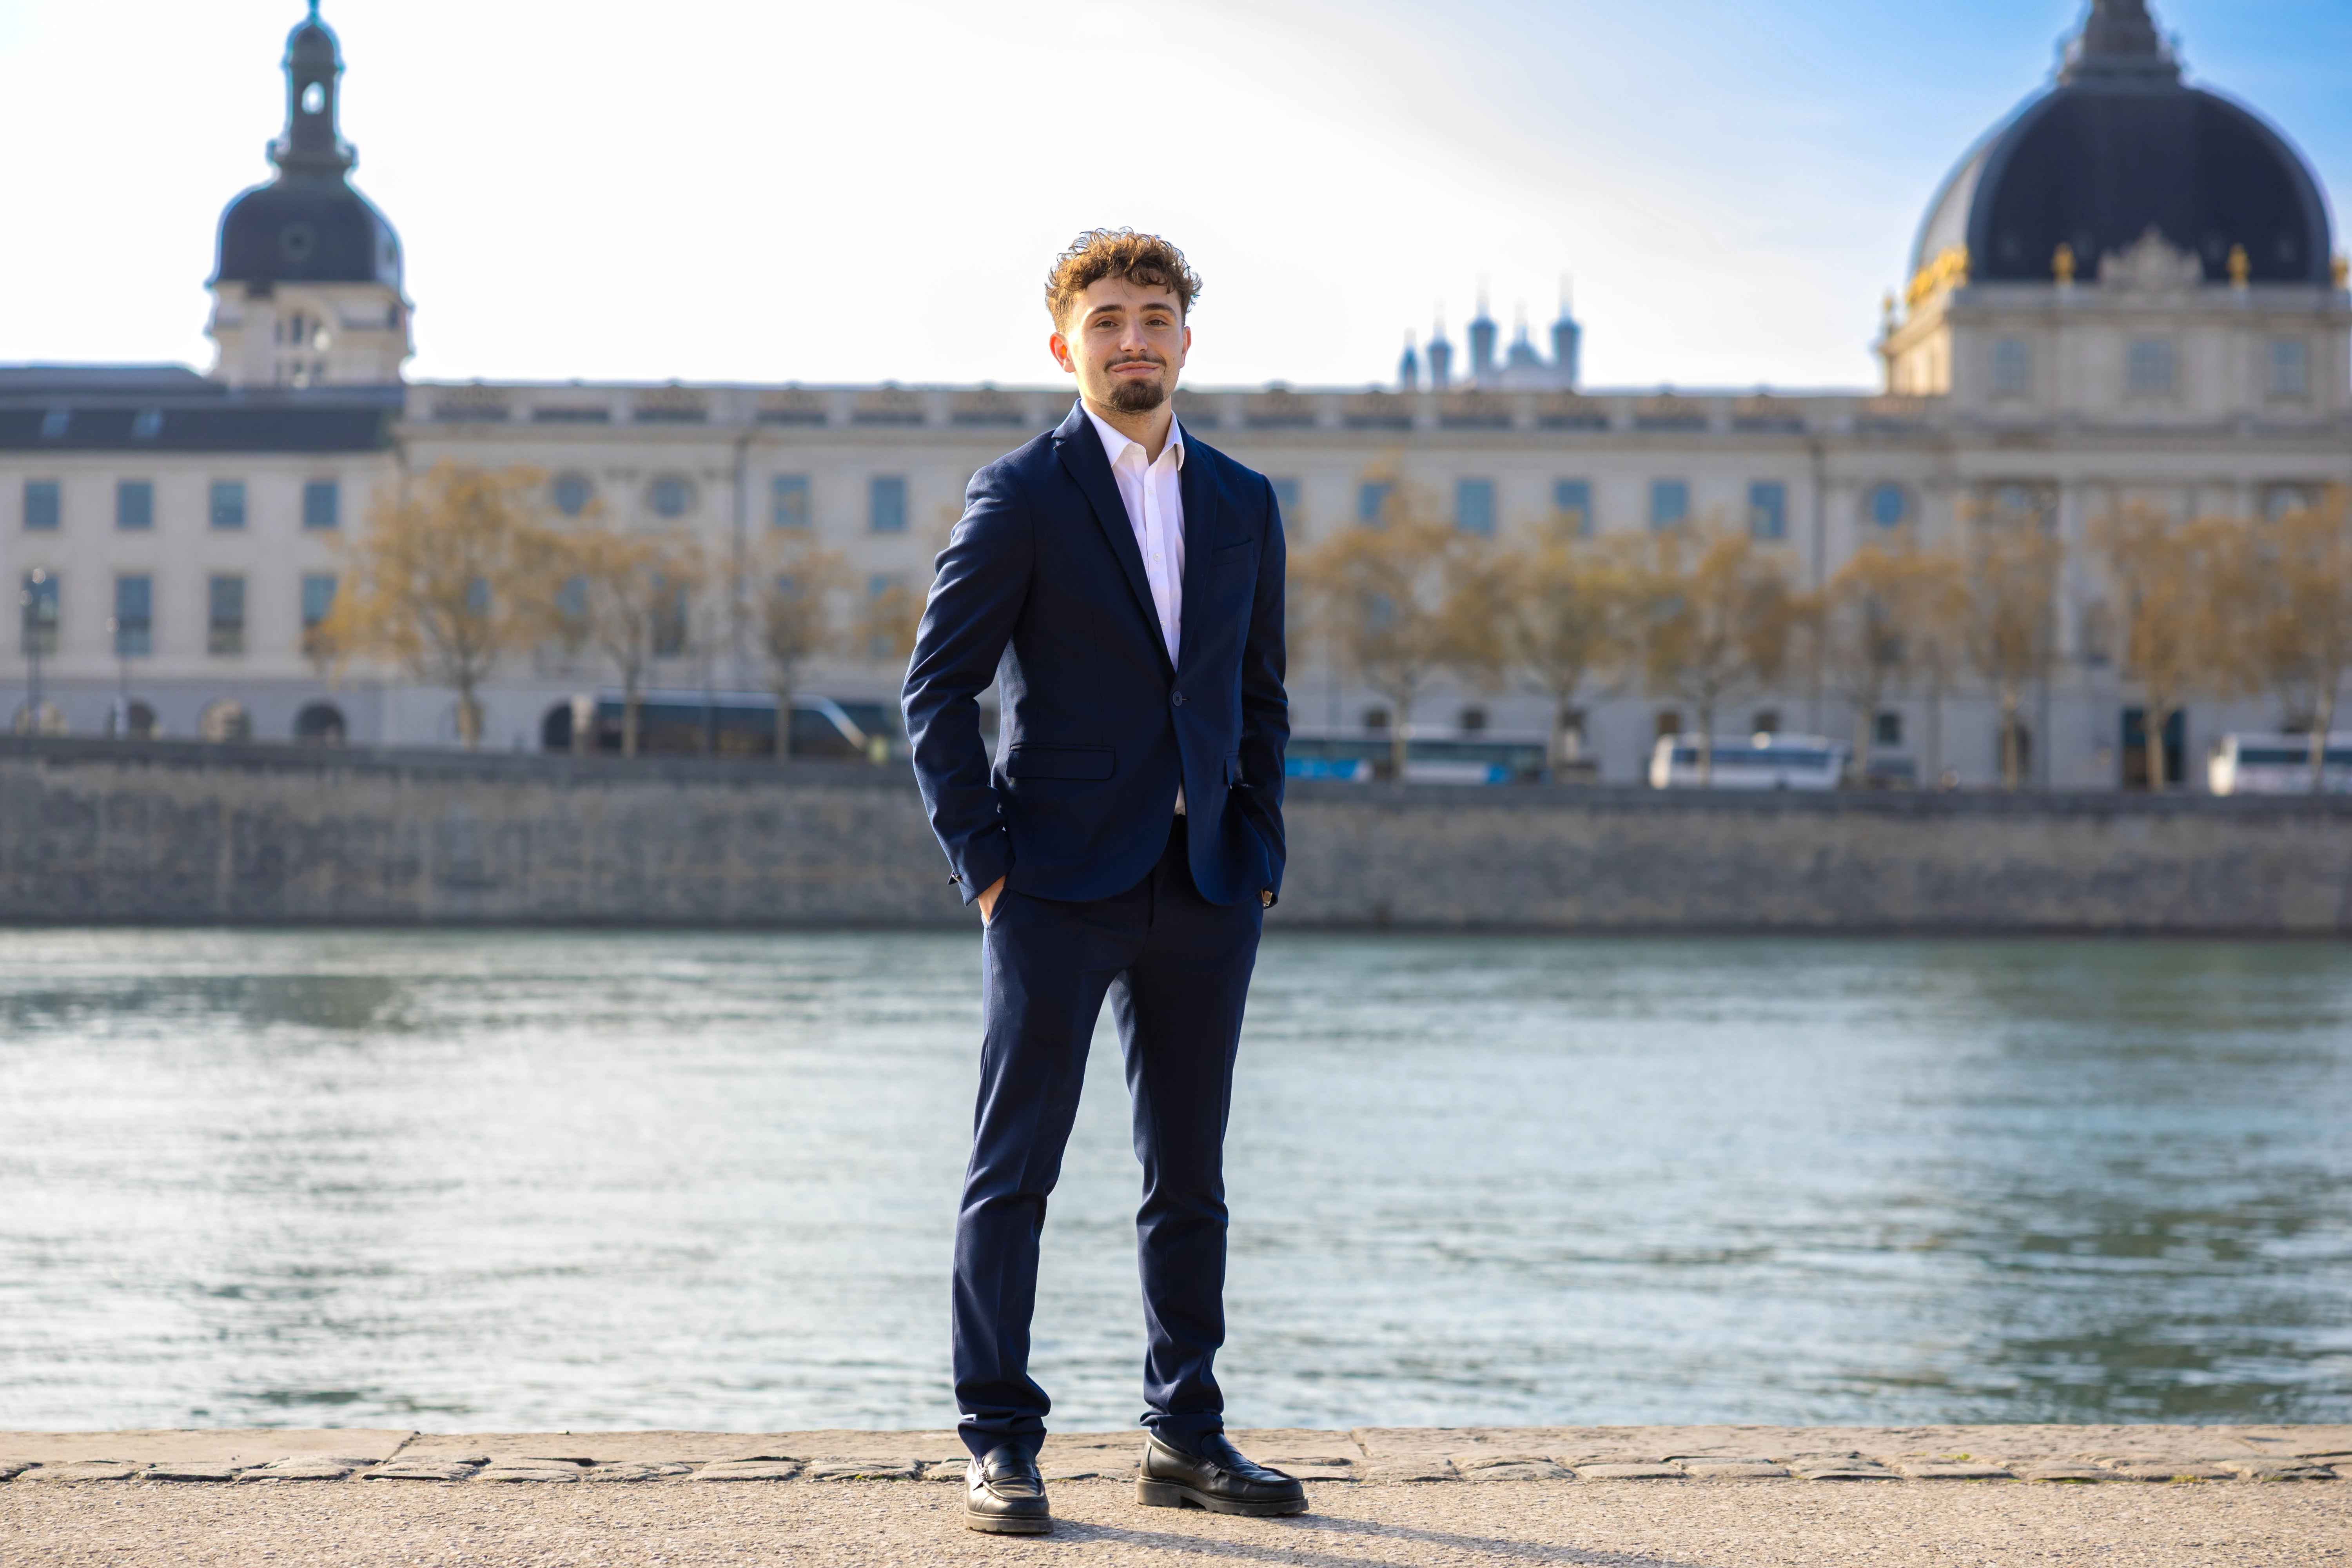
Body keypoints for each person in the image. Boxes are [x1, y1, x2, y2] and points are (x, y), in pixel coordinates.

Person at [901, 229, 1299, 1536]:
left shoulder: (1243, 500)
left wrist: (1259, 847)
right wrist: (988, 870)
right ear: (1063, 344)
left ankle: (1184, 1435)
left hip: (1205, 885)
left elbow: (1257, 696)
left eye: (1156, 317)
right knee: (1012, 1171)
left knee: (1191, 1176)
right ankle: (999, 1443)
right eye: (1110, 319)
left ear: (1188, 339)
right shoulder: (1019, 493)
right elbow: (936, 693)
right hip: (1055, 888)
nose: (1135, 339)